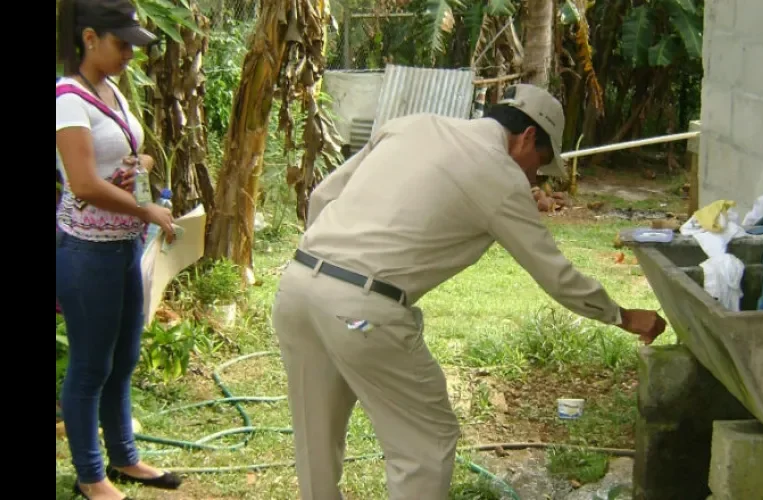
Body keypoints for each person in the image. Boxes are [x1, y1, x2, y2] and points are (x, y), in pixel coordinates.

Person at [271, 83, 668, 499]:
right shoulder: (497, 175)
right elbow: (554, 272)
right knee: (425, 441)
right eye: (540, 164)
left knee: (315, 435)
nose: (535, 177)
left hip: (298, 287)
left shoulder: (412, 125)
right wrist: (620, 315)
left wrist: (326, 270)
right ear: (528, 137)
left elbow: (323, 195)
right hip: (361, 315)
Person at [56, 1, 180, 498]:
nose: (130, 53)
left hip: (123, 246)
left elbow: (128, 150)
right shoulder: (67, 100)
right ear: (89, 38)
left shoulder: (110, 91)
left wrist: (140, 160)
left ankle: (125, 458)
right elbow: (83, 183)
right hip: (87, 252)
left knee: (124, 357)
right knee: (90, 364)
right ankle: (91, 475)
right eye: (121, 43)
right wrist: (146, 210)